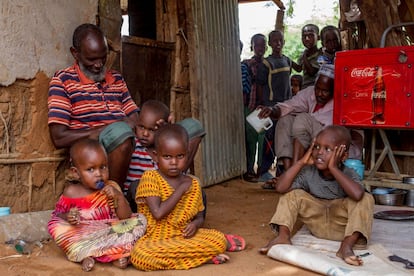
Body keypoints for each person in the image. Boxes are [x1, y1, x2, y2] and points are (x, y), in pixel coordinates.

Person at [130, 124, 245, 270]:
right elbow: (158, 213)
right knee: (140, 256)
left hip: (183, 238)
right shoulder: (150, 178)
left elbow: (199, 217)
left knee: (219, 240)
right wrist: (181, 188)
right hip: (154, 240)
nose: (174, 162)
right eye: (167, 156)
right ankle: (201, 258)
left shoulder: (193, 183)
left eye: (180, 156)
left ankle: (190, 256)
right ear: (155, 155)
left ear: (187, 154)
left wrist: (195, 225)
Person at [258, 125, 374, 266]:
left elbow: (357, 194)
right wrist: (301, 162)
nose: (320, 153)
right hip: (317, 224)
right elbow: (281, 187)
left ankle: (346, 246)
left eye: (328, 149)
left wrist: (333, 168)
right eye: (316, 147)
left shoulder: (348, 173)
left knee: (366, 198)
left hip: (342, 229)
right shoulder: (308, 172)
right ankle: (283, 236)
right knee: (292, 194)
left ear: (343, 155)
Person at [48, 23, 139, 189]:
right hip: (92, 151)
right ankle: (113, 196)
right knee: (121, 134)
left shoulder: (117, 79)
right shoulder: (63, 81)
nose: (98, 64)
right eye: (91, 59)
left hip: (128, 143)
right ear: (75, 53)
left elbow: (134, 118)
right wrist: (101, 131)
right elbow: (58, 137)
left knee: (190, 129)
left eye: (103, 57)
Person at [47, 139, 147, 272]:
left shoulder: (111, 188)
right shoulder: (71, 192)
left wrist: (118, 196)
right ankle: (86, 256)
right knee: (55, 226)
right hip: (84, 234)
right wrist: (69, 216)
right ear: (76, 173)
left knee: (141, 221)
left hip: (109, 233)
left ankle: (115, 255)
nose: (99, 174)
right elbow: (58, 215)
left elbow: (126, 217)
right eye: (91, 169)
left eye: (103, 167)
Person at [124, 100, 207, 214]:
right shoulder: (134, 146)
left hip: (167, 196)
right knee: (136, 186)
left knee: (198, 191)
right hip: (142, 199)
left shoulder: (169, 149)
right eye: (141, 127)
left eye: (152, 130)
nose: (145, 134)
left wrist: (165, 131)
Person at [259, 64, 335, 182]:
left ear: (334, 89)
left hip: (326, 143)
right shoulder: (310, 92)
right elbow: (290, 105)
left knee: (302, 119)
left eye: (325, 91)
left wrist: (305, 122)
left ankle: (292, 178)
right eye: (317, 89)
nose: (319, 94)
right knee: (285, 120)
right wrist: (272, 110)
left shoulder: (340, 99)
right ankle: (290, 174)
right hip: (305, 140)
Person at [256, 30, 294, 183]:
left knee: (284, 138)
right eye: (274, 41)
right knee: (270, 138)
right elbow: (260, 84)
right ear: (269, 44)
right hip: (271, 106)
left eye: (280, 40)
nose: (278, 43)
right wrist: (263, 103)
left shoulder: (287, 60)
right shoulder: (266, 63)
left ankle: (280, 171)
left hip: (285, 106)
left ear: (283, 42)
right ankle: (264, 170)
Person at [242, 33, 267, 182]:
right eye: (257, 45)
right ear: (252, 47)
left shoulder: (268, 64)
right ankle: (249, 170)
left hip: (263, 108)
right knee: (250, 141)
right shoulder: (246, 64)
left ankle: (262, 170)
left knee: (263, 139)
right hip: (250, 107)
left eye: (263, 44)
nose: (260, 48)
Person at [295, 24, 322, 88]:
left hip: (316, 89)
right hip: (305, 89)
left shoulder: (321, 54)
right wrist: (287, 60)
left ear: (318, 38)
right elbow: (299, 68)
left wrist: (304, 56)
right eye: (304, 36)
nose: (307, 39)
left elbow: (311, 72)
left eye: (310, 35)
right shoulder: (304, 54)